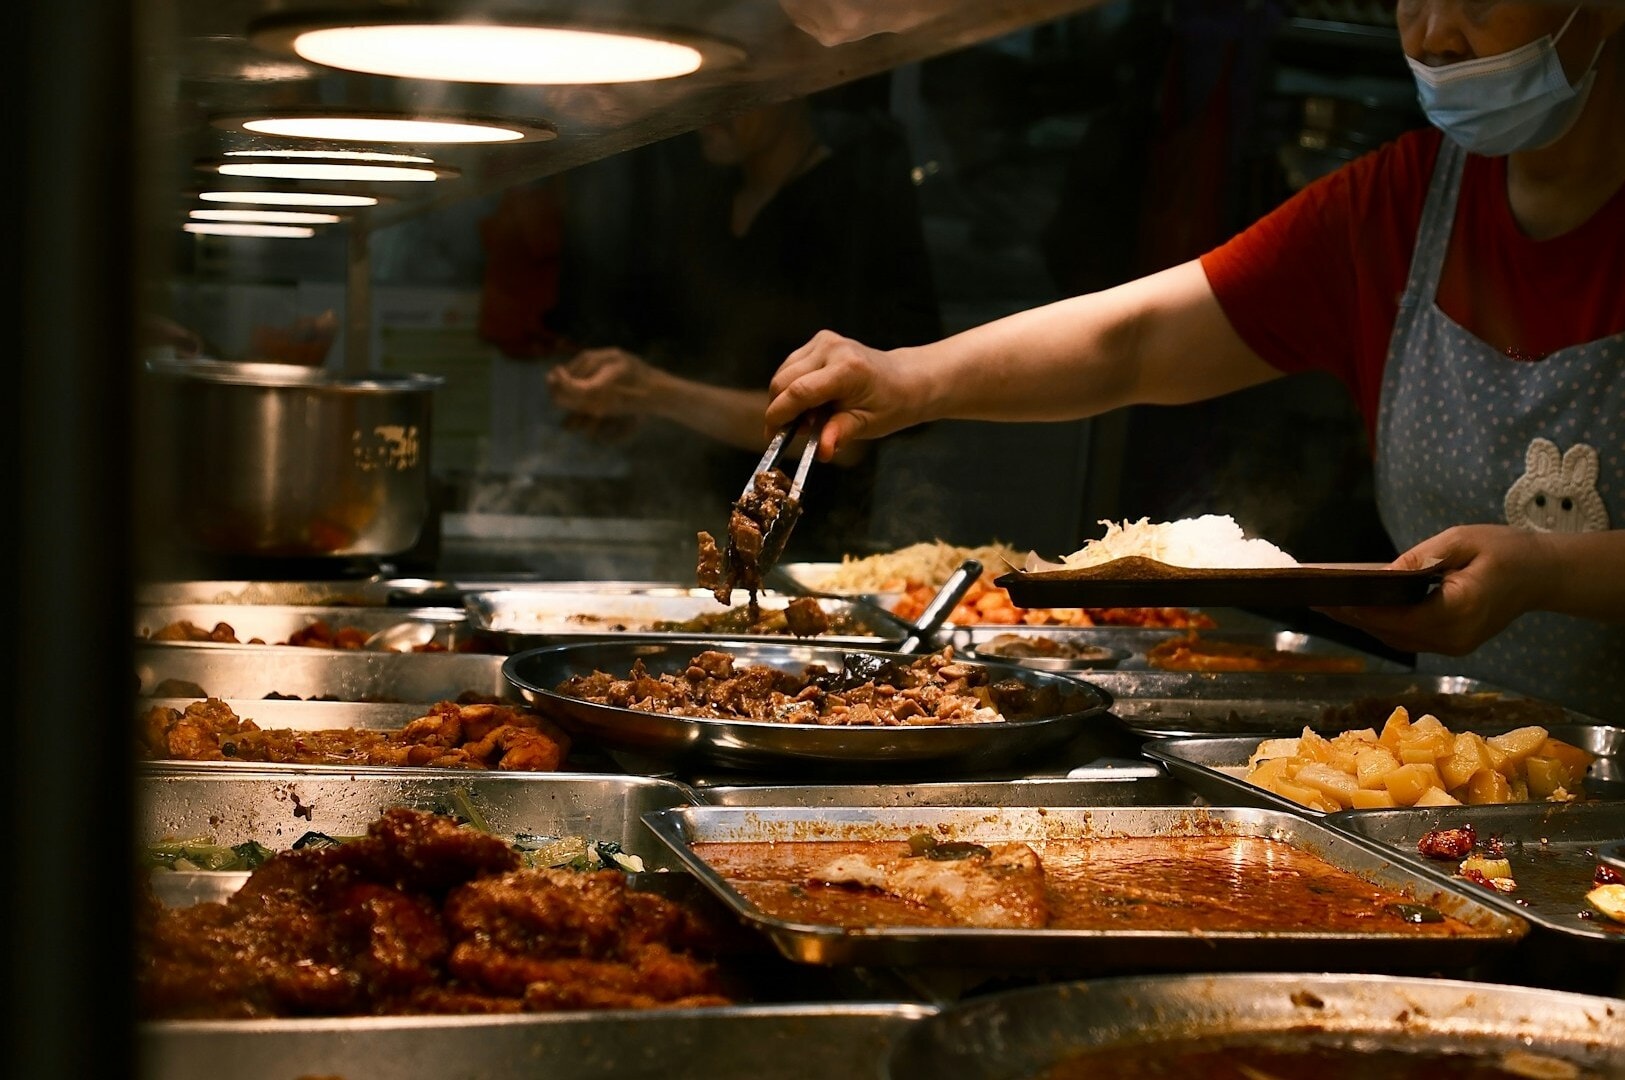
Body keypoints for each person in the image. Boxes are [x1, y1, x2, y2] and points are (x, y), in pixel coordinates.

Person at [763, 0, 1625, 717]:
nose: (1433, 33)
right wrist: (911, 378)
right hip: (1484, 786)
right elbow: (1133, 342)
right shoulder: (1399, 207)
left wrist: (1544, 569)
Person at [544, 93, 941, 560]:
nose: (706, 113)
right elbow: (693, 375)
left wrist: (652, 390)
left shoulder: (850, 211)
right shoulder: (705, 205)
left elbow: (845, 437)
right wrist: (623, 405)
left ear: (794, 88)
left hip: (811, 551)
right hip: (685, 527)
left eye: (731, 92)